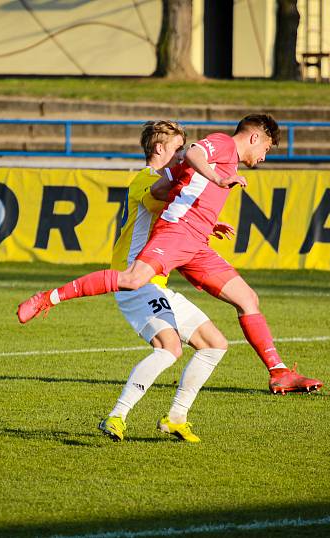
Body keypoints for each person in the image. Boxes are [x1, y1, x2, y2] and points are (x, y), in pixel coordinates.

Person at [18, 114, 323, 404]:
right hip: (177, 234)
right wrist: (217, 179)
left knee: (247, 298)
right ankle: (48, 298)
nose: (264, 157)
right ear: (255, 137)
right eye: (266, 149)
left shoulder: (194, 166)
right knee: (132, 280)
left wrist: (204, 216)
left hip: (196, 242)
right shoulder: (224, 145)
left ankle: (279, 372)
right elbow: (193, 150)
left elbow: (165, 186)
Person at [99, 120, 231, 443]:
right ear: (159, 149)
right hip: (134, 281)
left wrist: (204, 225)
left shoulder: (164, 181)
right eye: (176, 150)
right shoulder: (145, 180)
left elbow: (173, 212)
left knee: (214, 343)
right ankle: (116, 416)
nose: (180, 157)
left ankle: (176, 417)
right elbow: (160, 197)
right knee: (169, 348)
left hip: (156, 284)